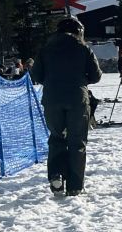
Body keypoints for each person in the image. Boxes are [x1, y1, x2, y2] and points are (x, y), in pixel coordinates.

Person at [32, 17, 102, 196]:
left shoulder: (46, 49)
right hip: (78, 99)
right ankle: (75, 186)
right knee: (77, 142)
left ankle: (56, 175)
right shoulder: (83, 48)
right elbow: (96, 76)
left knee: (56, 138)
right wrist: (80, 79)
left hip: (52, 99)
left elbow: (37, 75)